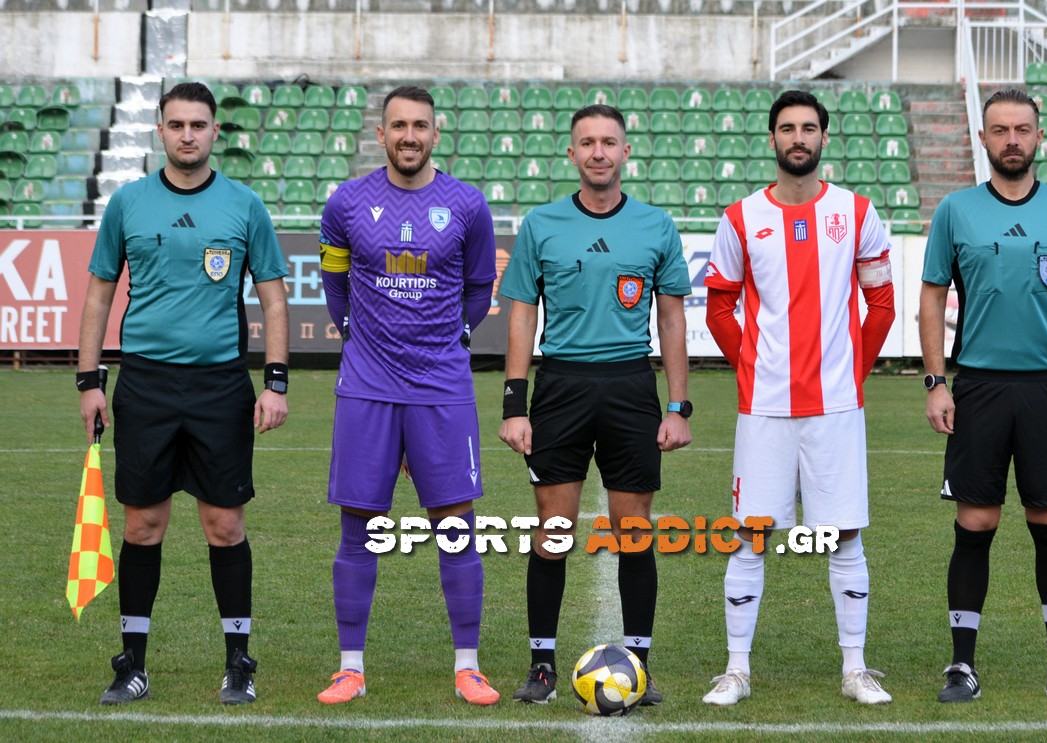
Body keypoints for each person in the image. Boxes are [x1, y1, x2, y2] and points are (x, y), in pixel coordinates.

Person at [77, 81, 290, 705]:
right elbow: (98, 294)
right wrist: (89, 381)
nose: (188, 135)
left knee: (224, 525)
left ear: (215, 131)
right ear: (161, 132)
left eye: (199, 125)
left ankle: (238, 663)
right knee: (143, 525)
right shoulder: (128, 203)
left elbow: (274, 298)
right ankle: (132, 664)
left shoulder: (244, 204)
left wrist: (275, 381)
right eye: (177, 125)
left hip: (220, 385)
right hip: (143, 384)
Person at [700, 90, 897, 707]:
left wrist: (852, 375)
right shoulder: (740, 218)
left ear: (824, 138)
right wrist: (752, 369)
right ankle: (736, 670)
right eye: (787, 128)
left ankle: (855, 669)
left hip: (835, 407)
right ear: (772, 139)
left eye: (809, 128)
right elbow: (719, 309)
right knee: (750, 536)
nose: (798, 138)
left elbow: (881, 305)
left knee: (845, 535)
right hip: (765, 408)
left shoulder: (857, 213)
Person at [919, 88, 1047, 704]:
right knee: (975, 523)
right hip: (978, 386)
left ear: (1038, 136)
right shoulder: (956, 211)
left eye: (1021, 129)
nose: (1011, 140)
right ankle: (961, 665)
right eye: (999, 130)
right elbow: (931, 296)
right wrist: (936, 382)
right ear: (983, 138)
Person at [498, 104, 692, 706]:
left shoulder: (656, 225)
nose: (599, 152)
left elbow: (672, 319)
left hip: (631, 385)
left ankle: (639, 666)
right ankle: (542, 666)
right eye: (587, 142)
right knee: (552, 530)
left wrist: (679, 406)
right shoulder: (542, 224)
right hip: (561, 386)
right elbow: (522, 314)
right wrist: (515, 404)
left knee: (634, 531)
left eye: (609, 142)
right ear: (572, 153)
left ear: (626, 152)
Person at [314, 85, 500, 706]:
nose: (410, 136)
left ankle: (468, 667)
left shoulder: (467, 205)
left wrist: (449, 340)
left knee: (456, 527)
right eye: (399, 126)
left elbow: (478, 289)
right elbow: (335, 284)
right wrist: (359, 338)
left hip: (441, 387)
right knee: (358, 526)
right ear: (381, 134)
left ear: (435, 134)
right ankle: (350, 668)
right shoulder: (346, 203)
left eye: (420, 125)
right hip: (367, 386)